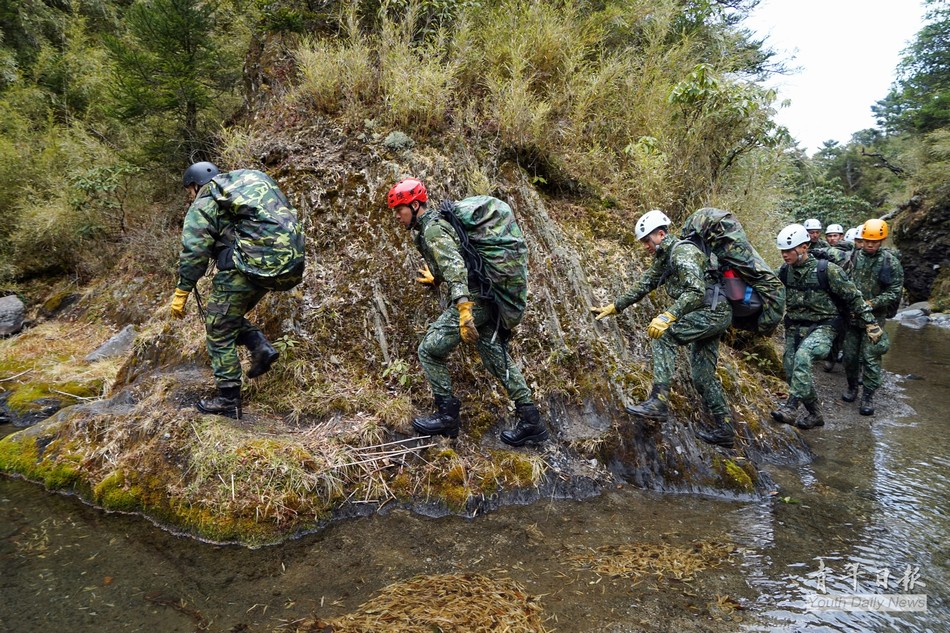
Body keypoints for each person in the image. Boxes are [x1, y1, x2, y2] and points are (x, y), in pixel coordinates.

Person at [387, 178, 548, 447]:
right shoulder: (432, 227)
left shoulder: (433, 230)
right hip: (487, 297)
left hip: (473, 302)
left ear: (414, 205)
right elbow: (450, 261)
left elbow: (456, 268)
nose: (397, 216)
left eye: (399, 209)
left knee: (429, 350)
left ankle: (447, 417)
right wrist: (435, 278)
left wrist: (463, 309)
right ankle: (532, 420)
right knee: (497, 358)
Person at [591, 210, 736, 448]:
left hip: (713, 312)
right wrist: (616, 307)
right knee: (702, 377)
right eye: (643, 242)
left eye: (647, 240)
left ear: (661, 234)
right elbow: (646, 283)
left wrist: (668, 316)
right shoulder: (665, 257)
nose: (645, 246)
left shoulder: (682, 253)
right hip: (711, 313)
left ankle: (658, 401)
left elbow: (695, 291)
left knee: (663, 335)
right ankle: (726, 429)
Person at [171, 162, 305, 418]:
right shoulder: (236, 192)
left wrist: (183, 289)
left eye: (190, 190)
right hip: (280, 266)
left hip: (244, 267)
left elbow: (195, 249)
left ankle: (228, 399)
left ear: (194, 185)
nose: (191, 195)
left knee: (218, 329)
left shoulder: (206, 197)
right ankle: (260, 346)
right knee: (225, 318)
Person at [772, 224, 881, 429]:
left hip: (825, 326)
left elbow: (854, 297)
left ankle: (791, 407)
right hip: (795, 327)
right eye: (782, 251)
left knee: (803, 358)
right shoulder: (784, 272)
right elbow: (766, 287)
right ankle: (815, 414)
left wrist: (871, 323)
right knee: (790, 371)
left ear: (804, 247)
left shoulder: (827, 270)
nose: (784, 255)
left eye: (789, 250)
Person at [841, 219, 904, 415]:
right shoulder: (853, 258)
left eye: (874, 242)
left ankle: (867, 397)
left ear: (881, 241)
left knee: (871, 358)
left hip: (875, 320)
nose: (870, 245)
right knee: (850, 357)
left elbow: (895, 291)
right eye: (867, 241)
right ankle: (852, 387)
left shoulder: (890, 262)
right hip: (852, 318)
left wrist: (873, 303)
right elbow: (842, 282)